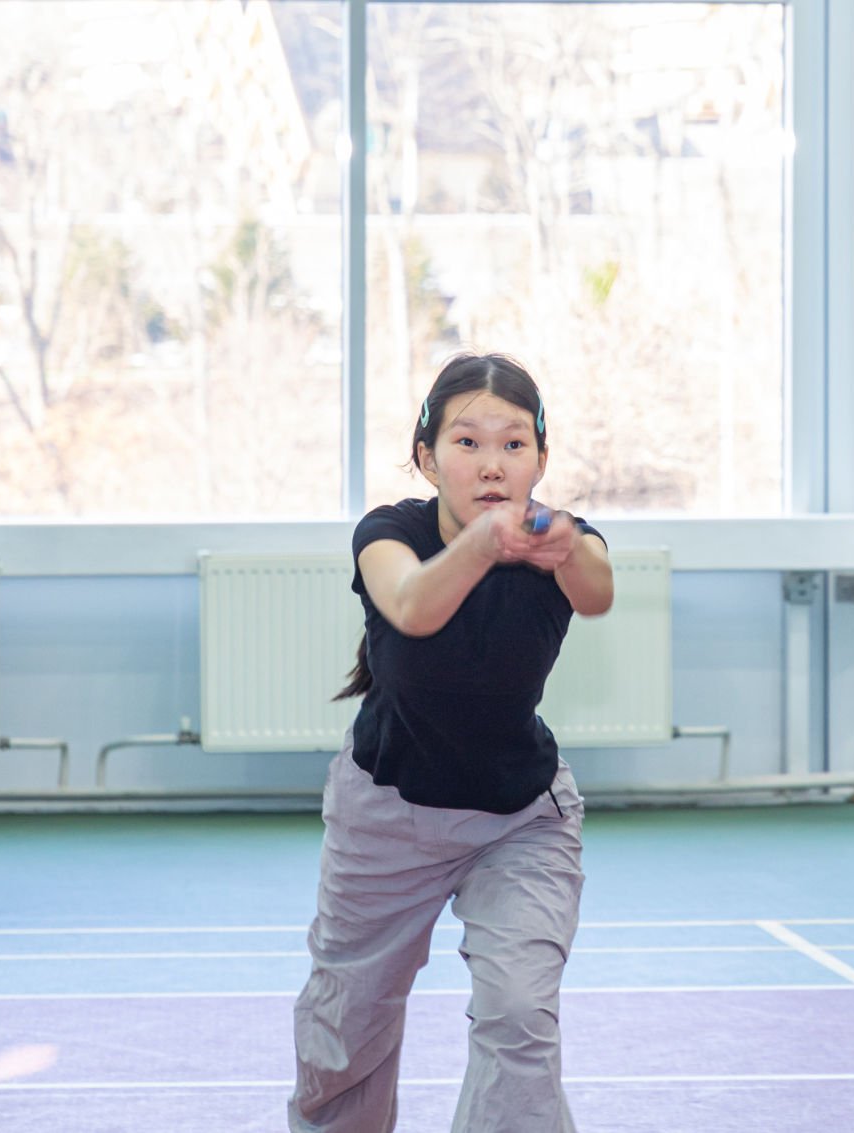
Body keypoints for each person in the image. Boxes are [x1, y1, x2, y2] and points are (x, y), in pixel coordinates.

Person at [289, 352, 614, 1133]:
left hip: (521, 820)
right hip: (385, 816)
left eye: (513, 444)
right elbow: (412, 605)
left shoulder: (560, 542)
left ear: (540, 459)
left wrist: (565, 545)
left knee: (520, 1013)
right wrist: (484, 544)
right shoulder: (388, 533)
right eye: (468, 443)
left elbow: (599, 590)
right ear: (428, 458)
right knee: (347, 1026)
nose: (492, 464)